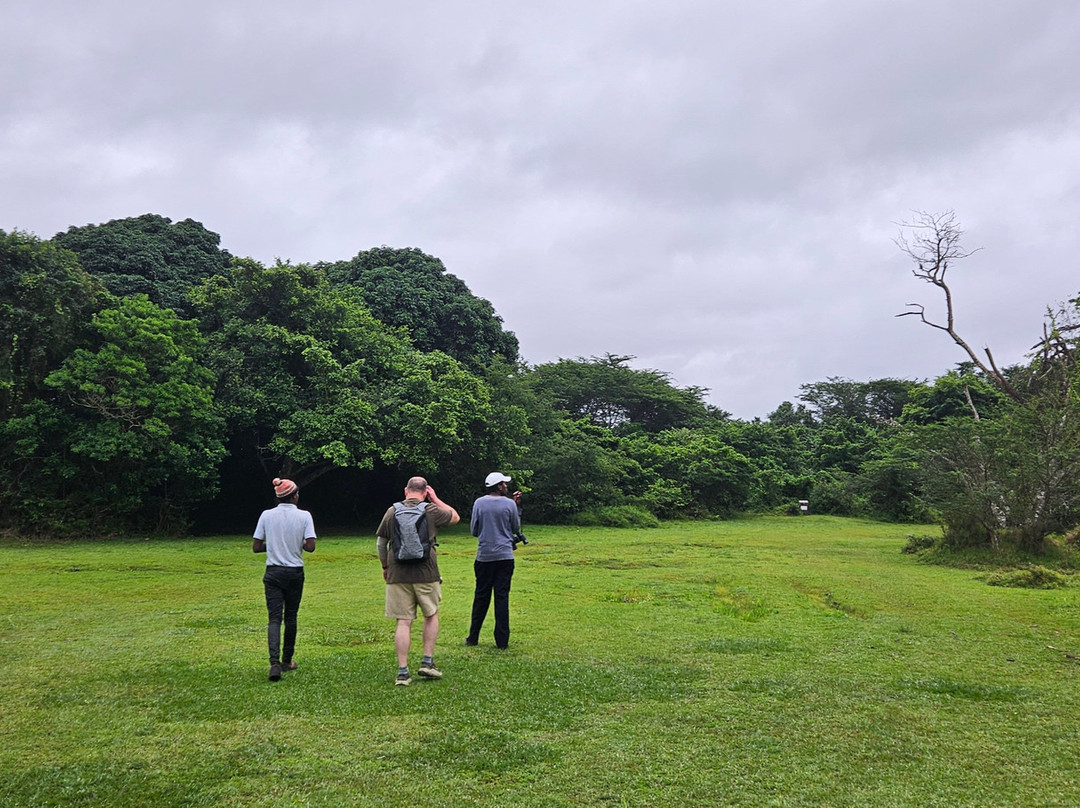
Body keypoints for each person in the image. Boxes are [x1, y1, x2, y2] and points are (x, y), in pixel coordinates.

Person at [376, 476, 460, 686]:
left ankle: (403, 672)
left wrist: (385, 566)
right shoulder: (430, 510)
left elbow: (381, 542)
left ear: (406, 491)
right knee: (431, 615)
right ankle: (427, 662)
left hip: (398, 573)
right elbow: (455, 517)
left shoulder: (392, 511)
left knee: (403, 621)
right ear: (424, 492)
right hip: (427, 572)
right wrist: (435, 498)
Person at [252, 477, 316, 682]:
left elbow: (256, 547)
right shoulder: (304, 516)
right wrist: (295, 543)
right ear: (295, 496)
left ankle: (273, 664)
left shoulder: (266, 515)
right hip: (294, 573)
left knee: (274, 618)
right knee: (291, 617)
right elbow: (310, 546)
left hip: (273, 572)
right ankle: (287, 660)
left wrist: (273, 546)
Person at [466, 472, 523, 649]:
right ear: (499, 486)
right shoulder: (509, 504)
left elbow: (474, 530)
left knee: (481, 596)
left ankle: (473, 637)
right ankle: (502, 641)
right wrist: (516, 507)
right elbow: (515, 527)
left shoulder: (479, 503)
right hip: (505, 557)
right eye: (504, 484)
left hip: (484, 557)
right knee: (501, 597)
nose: (506, 486)